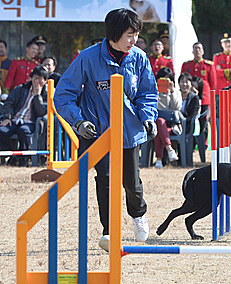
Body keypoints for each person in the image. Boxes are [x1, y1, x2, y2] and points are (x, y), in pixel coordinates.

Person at [54, 8, 158, 251]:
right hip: (99, 133)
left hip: (130, 132)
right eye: (129, 35)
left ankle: (138, 214)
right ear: (113, 34)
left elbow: (147, 93)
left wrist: (148, 117)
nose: (134, 40)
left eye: (136, 34)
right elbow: (64, 94)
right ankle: (109, 231)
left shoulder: (139, 58)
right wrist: (78, 121)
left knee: (131, 183)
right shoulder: (87, 58)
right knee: (106, 180)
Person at [0, 66, 48, 166]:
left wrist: (37, 96)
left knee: (23, 131)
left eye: (40, 79)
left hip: (30, 122)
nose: (36, 81)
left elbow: (41, 111)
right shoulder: (21, 88)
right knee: (2, 130)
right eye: (35, 78)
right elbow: (9, 103)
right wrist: (8, 117)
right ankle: (11, 155)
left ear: (45, 81)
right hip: (14, 119)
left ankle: (23, 160)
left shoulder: (46, 94)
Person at [154, 67, 180, 168]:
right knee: (159, 123)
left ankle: (159, 160)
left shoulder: (175, 92)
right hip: (158, 123)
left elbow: (176, 107)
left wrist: (172, 92)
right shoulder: (154, 92)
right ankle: (170, 150)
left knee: (158, 128)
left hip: (172, 125)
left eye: (167, 79)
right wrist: (158, 94)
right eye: (162, 79)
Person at [178, 72, 200, 142]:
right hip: (175, 124)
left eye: (187, 82)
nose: (184, 84)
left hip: (187, 125)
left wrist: (182, 121)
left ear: (191, 84)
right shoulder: (175, 95)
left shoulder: (194, 98)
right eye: (182, 81)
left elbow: (193, 115)